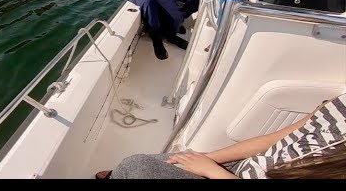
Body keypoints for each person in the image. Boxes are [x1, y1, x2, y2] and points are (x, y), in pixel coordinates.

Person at [95, 93, 346, 179]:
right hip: (244, 167)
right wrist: (208, 158)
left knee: (135, 167)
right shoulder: (342, 102)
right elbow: (274, 139)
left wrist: (215, 171)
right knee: (137, 165)